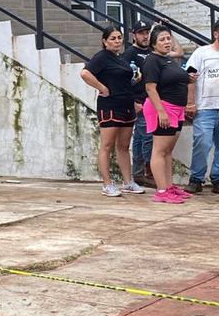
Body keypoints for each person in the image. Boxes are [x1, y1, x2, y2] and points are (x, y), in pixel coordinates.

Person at [80, 24, 144, 197]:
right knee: (107, 145)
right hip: (110, 106)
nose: (117, 41)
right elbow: (85, 73)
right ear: (104, 41)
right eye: (113, 38)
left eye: (119, 38)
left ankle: (128, 182)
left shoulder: (121, 59)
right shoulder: (101, 57)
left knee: (123, 146)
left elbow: (124, 80)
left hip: (127, 105)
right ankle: (107, 184)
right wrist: (102, 87)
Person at [142, 24, 191, 204]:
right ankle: (161, 190)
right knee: (159, 150)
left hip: (176, 109)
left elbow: (173, 75)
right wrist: (161, 112)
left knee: (168, 151)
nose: (167, 42)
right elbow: (150, 88)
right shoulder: (152, 60)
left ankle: (169, 186)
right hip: (163, 108)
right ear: (154, 44)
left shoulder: (168, 59)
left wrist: (189, 78)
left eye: (168, 38)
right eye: (162, 39)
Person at [184, 20, 219, 194]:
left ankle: (217, 178)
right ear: (216, 33)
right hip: (205, 107)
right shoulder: (201, 53)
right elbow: (190, 77)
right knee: (202, 142)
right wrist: (191, 102)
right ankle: (196, 178)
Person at [123, 21, 153, 186]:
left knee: (141, 137)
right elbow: (124, 80)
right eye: (141, 32)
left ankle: (138, 172)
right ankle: (148, 172)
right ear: (134, 35)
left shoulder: (152, 51)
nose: (145, 36)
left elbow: (176, 52)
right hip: (139, 100)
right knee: (146, 136)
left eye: (147, 32)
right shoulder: (129, 54)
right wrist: (133, 100)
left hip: (152, 98)